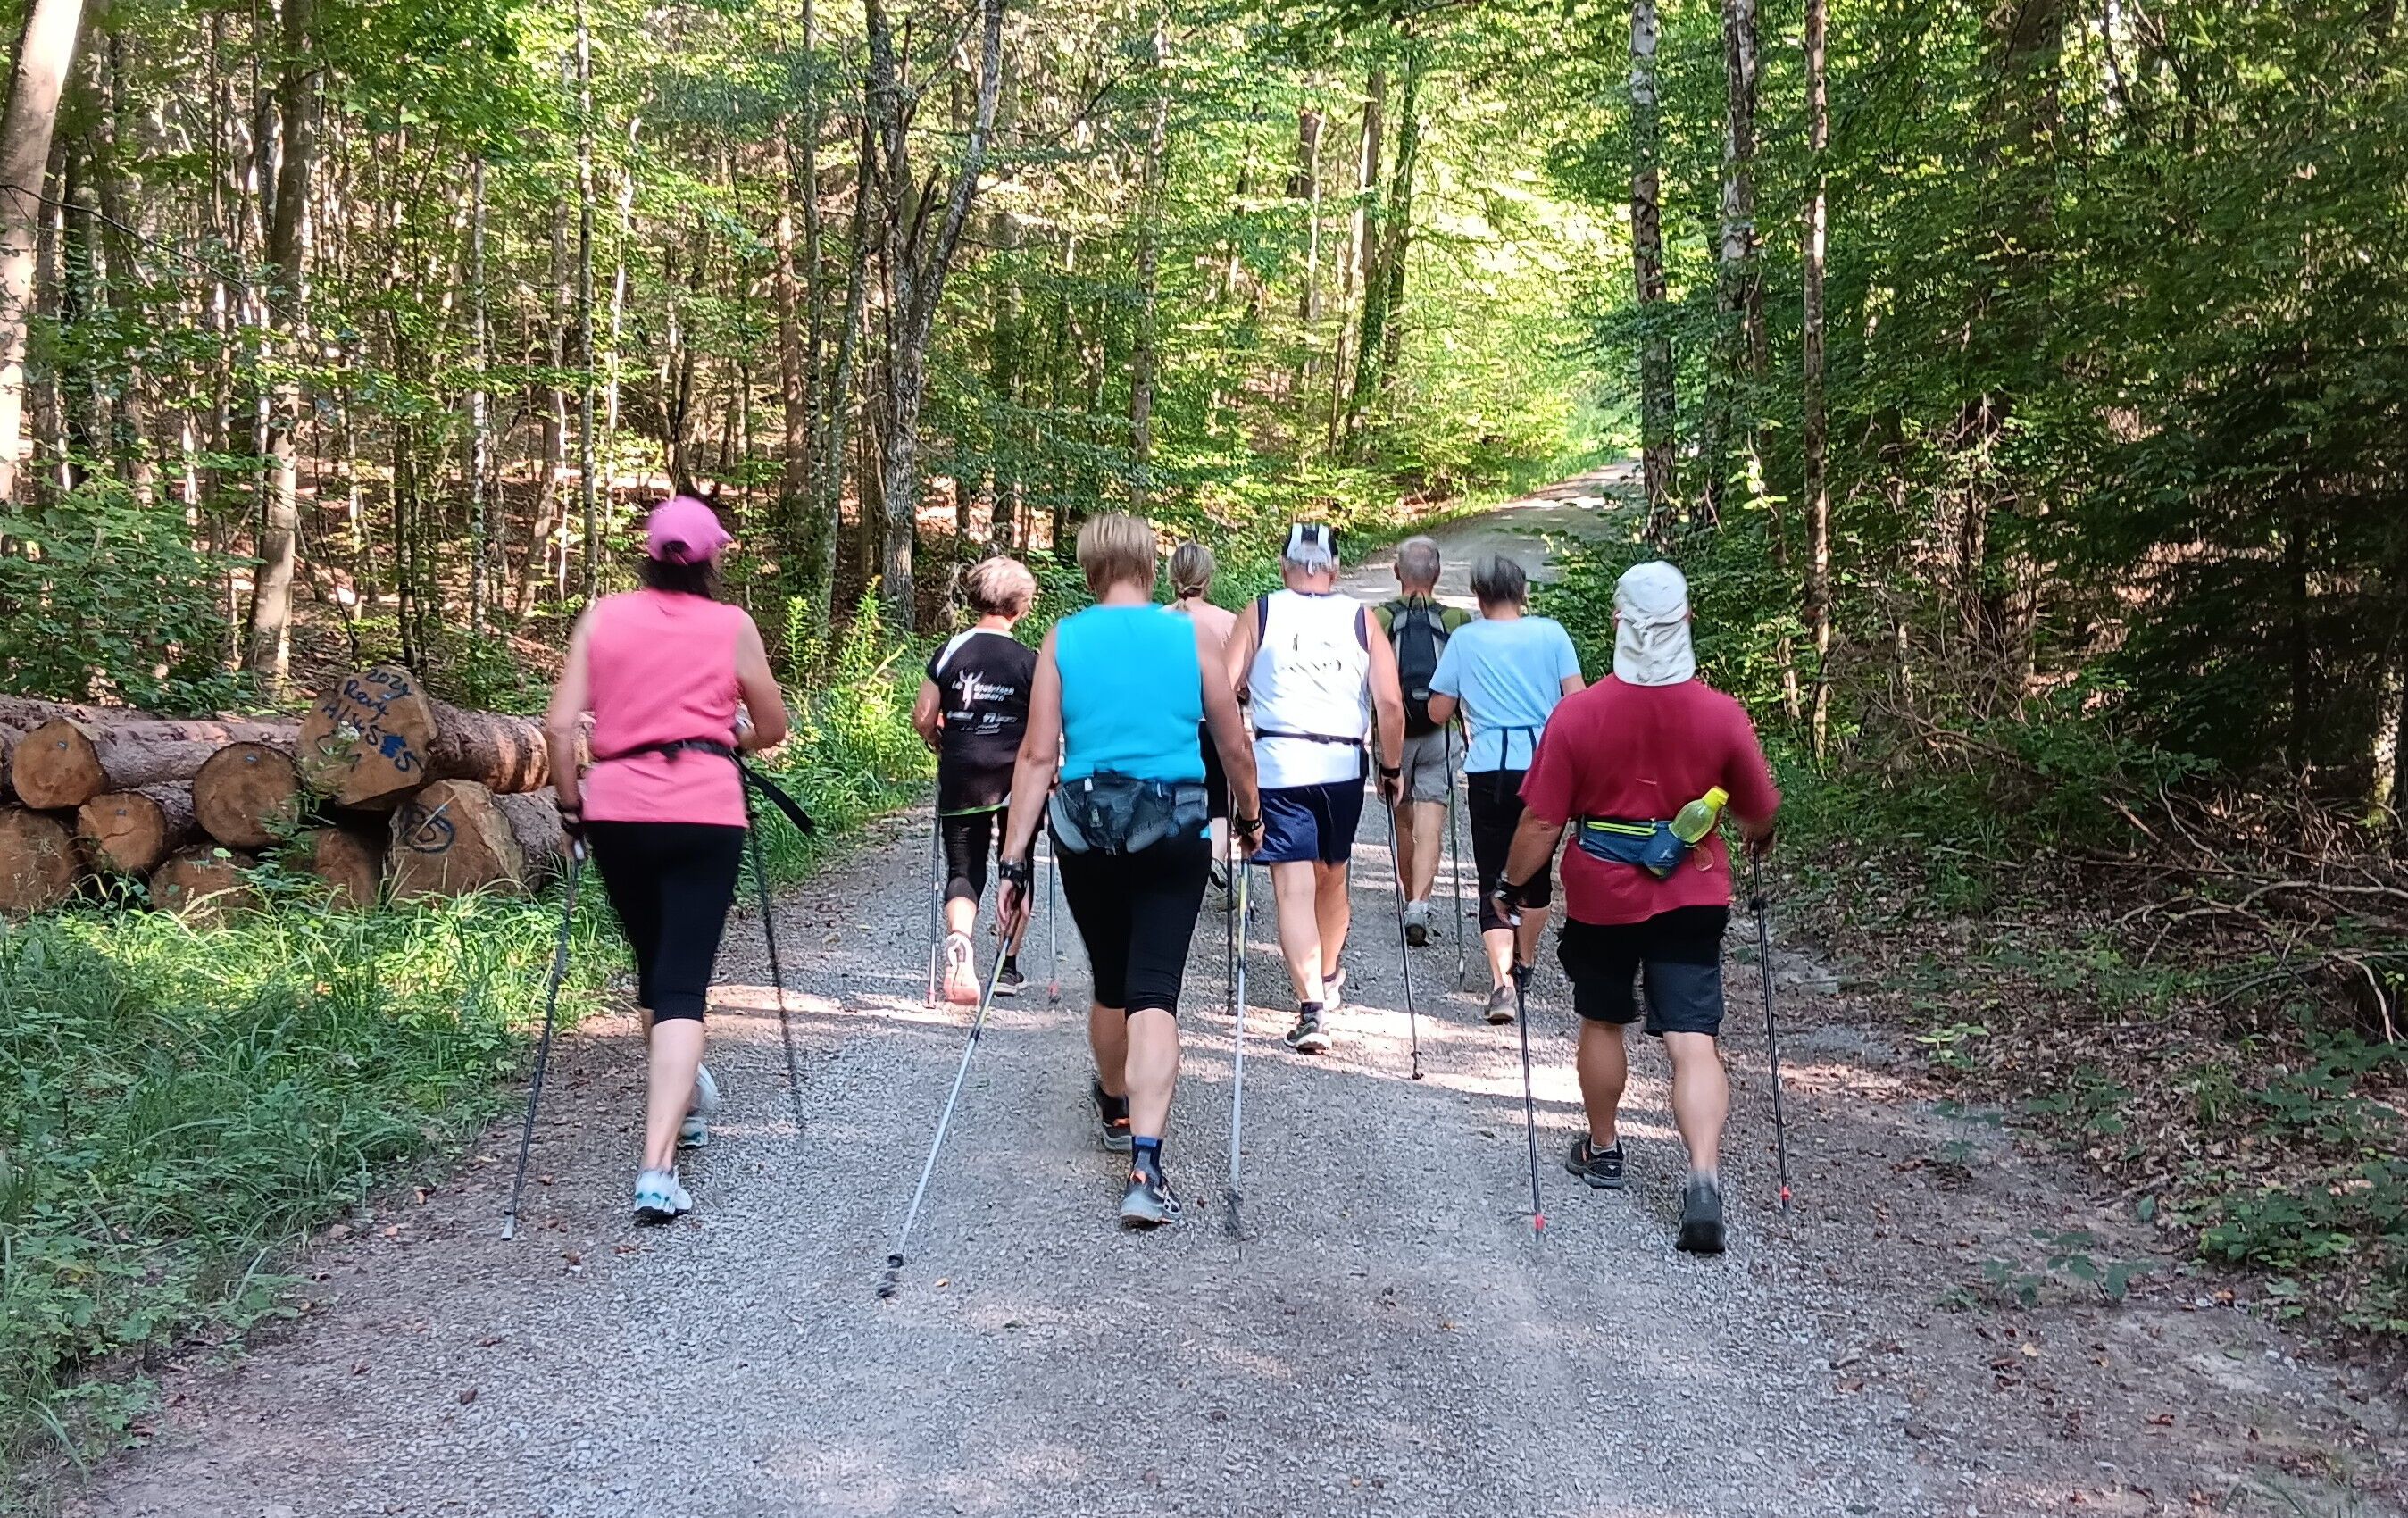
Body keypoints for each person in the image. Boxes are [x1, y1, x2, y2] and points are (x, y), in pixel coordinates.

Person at [1496, 561, 1777, 1255]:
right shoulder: (1719, 713)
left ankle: (1603, 1148)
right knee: (1692, 1037)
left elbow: (1539, 824)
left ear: (1617, 624)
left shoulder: (1580, 713)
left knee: (1602, 1018)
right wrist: (1754, 839)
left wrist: (1511, 886)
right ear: (1685, 622)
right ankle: (1703, 1176)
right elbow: (1758, 811)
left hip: (1603, 894)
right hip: (1693, 891)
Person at [997, 514, 1260, 1227]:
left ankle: (1114, 1104)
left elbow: (1036, 756)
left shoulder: (1064, 639)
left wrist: (1013, 857)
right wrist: (1250, 814)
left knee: (1110, 980)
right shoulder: (1190, 638)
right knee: (1154, 991)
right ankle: (1146, 1166)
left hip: (1084, 832)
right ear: (1150, 565)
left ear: (1088, 567)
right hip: (1173, 828)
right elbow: (1232, 745)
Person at [545, 495, 790, 1226]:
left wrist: (568, 808)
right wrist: (723, 739)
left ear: (648, 553)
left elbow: (561, 729)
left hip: (617, 808)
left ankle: (680, 1109)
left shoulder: (602, 616)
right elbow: (772, 725)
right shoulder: (731, 625)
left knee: (652, 964)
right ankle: (657, 1169)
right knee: (682, 982)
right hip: (705, 811)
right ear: (712, 558)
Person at [1221, 522, 1405, 1055]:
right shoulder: (1361, 618)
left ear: (1284, 567)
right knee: (1333, 877)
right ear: (1335, 569)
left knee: (1292, 889)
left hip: (1281, 765)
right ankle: (1325, 979)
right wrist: (1390, 769)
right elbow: (1390, 705)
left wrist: (1239, 757)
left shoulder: (1261, 611)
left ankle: (1312, 1010)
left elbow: (1225, 688)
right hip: (1343, 765)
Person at [1423, 554, 1585, 1023]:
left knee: (1493, 872)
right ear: (1522, 590)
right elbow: (1577, 701)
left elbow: (1437, 711)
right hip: (1545, 765)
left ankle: (1501, 982)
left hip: (1490, 768)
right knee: (1534, 873)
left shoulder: (1465, 639)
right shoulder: (1551, 633)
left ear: (1478, 594)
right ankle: (1525, 963)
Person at [913, 556, 1039, 1005]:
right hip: (1017, 778)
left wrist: (940, 741)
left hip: (962, 768)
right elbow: (1043, 728)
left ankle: (960, 947)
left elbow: (923, 717)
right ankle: (1007, 966)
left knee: (964, 867)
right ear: (1020, 607)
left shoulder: (950, 650)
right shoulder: (1030, 660)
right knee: (1015, 864)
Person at [1371, 535, 1471, 947]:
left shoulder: (1375, 617)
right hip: (1440, 733)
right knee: (1431, 821)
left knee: (1402, 819)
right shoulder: (1457, 622)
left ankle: (1409, 894)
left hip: (1392, 736)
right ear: (1438, 574)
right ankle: (1418, 904)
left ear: (1397, 573)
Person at [1165, 541, 1239, 907]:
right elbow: (1239, 683)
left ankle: (1171, 863)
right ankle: (1215, 859)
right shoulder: (1227, 622)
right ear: (1207, 578)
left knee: (1169, 795)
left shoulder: (1156, 621)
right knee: (1218, 802)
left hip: (1165, 726)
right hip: (1211, 723)